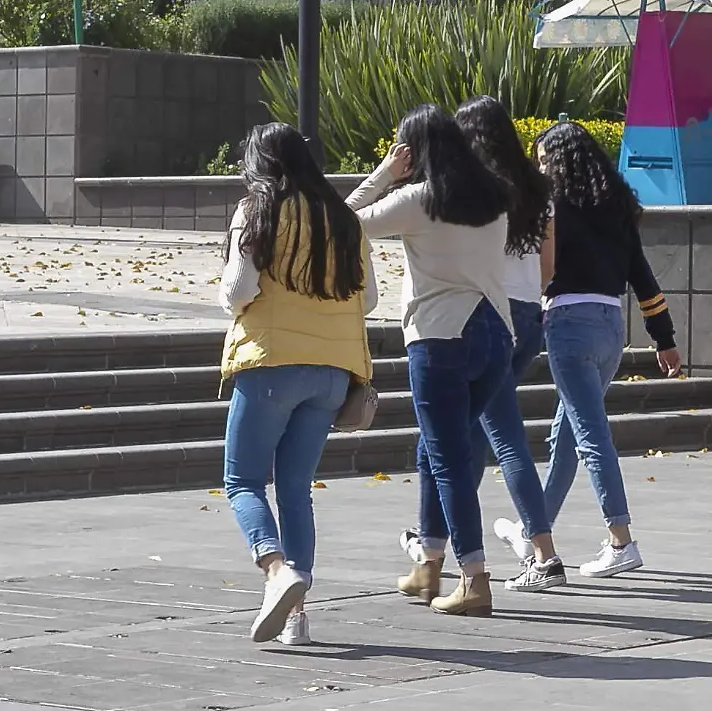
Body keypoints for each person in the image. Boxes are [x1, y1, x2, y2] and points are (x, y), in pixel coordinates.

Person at [349, 105, 513, 617]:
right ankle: (429, 565)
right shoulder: (493, 196)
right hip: (495, 333)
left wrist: (383, 174)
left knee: (447, 460)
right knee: (436, 450)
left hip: (441, 336)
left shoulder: (420, 199)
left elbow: (342, 223)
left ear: (413, 152)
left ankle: (474, 577)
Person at [399, 96, 568, 593]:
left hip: (483, 313)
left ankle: (540, 551)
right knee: (464, 436)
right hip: (526, 315)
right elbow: (549, 267)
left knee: (487, 438)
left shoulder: (471, 192)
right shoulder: (537, 189)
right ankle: (433, 549)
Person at [219, 122, 378, 646]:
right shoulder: (345, 220)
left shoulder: (256, 209)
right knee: (295, 489)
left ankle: (273, 570)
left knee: (242, 480)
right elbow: (369, 300)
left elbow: (240, 291)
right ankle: (297, 620)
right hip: (332, 372)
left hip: (270, 364)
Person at [532, 120, 682, 578]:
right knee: (566, 435)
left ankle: (620, 539)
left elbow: (537, 265)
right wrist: (665, 339)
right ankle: (535, 528)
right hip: (610, 326)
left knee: (591, 436)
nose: (538, 170)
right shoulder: (615, 207)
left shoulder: (552, 207)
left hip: (569, 324)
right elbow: (643, 276)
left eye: (541, 161)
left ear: (557, 161)